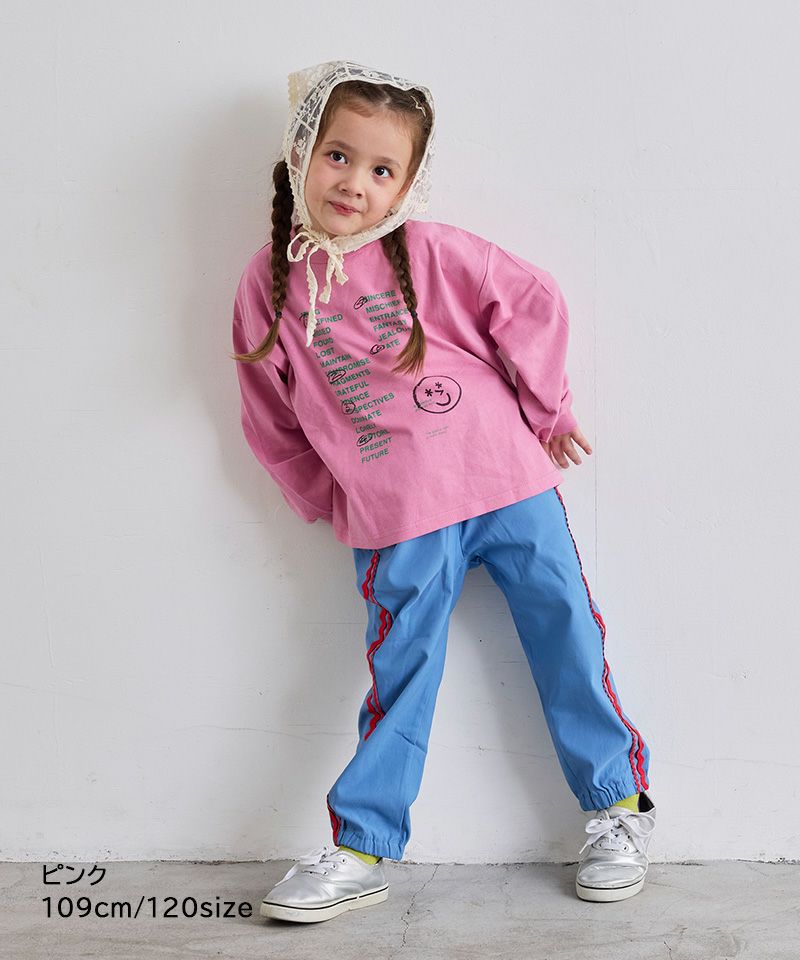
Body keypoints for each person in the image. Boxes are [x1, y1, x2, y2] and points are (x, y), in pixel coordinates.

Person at [230, 60, 656, 925]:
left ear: (407, 184)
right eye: (339, 155)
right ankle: (361, 847)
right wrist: (332, 494)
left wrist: (548, 408)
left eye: (382, 169)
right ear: (302, 151)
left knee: (567, 632)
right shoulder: (267, 284)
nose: (355, 182)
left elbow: (531, 301)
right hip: (397, 517)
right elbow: (267, 415)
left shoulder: (429, 251)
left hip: (506, 479)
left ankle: (618, 807)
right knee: (402, 672)